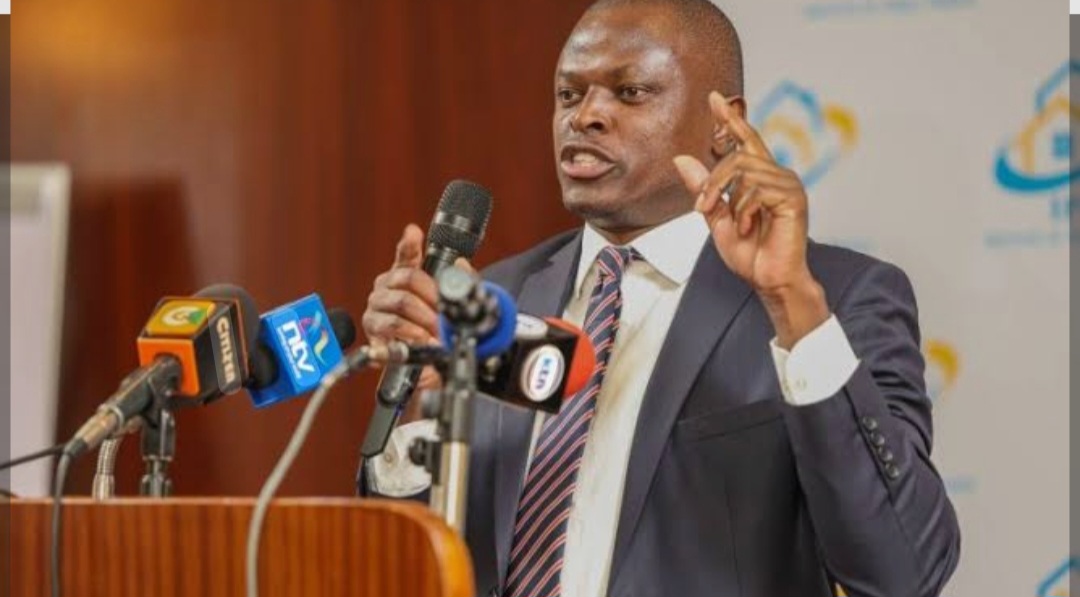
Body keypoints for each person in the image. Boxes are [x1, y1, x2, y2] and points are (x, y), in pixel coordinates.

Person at [358, 0, 961, 596]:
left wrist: (792, 305)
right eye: (569, 94)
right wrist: (423, 406)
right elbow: (409, 564)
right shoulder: (500, 299)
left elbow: (902, 571)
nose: (586, 116)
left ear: (723, 125)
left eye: (630, 93)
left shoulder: (834, 298)